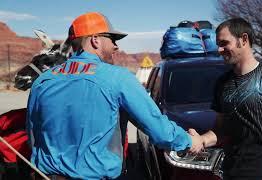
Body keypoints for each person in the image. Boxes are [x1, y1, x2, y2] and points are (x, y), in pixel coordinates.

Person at [26, 12, 203, 180]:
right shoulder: (117, 77)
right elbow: (158, 129)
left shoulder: (43, 81)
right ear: (95, 40)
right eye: (112, 39)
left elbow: (33, 136)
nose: (116, 46)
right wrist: (189, 141)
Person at [188, 18, 262, 179]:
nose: (220, 50)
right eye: (218, 44)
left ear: (243, 39)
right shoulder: (223, 83)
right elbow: (220, 130)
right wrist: (201, 140)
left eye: (224, 43)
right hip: (231, 173)